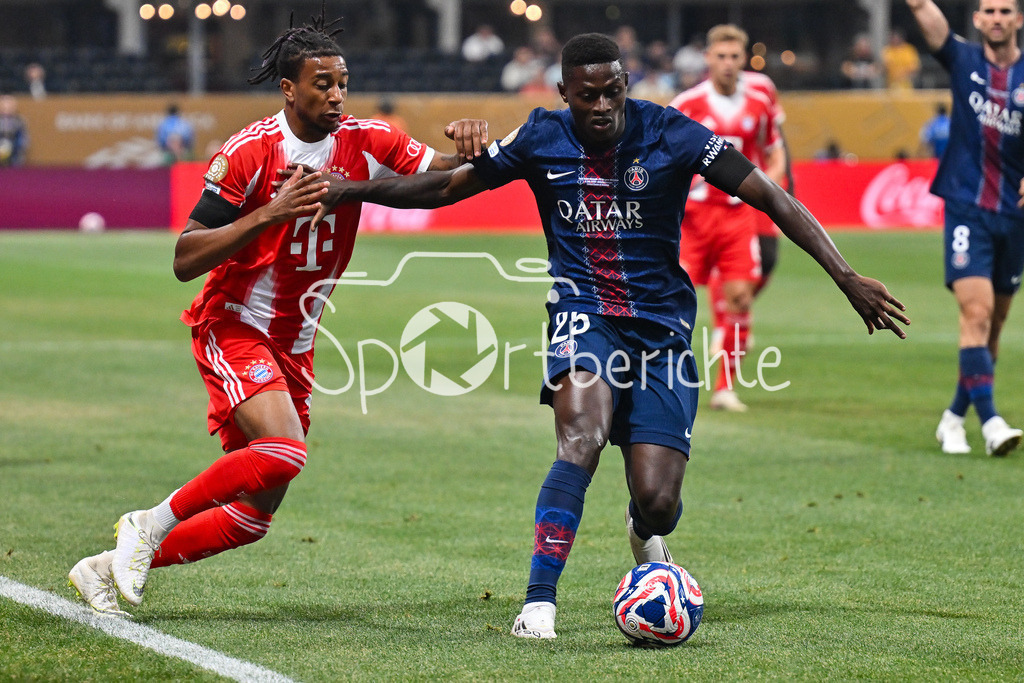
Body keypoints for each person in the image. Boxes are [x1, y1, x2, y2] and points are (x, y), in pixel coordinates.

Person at [295, 32, 909, 639]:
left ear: (626, 87)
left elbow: (769, 195)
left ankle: (643, 533)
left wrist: (846, 275)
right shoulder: (540, 136)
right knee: (580, 439)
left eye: (612, 91)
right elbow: (446, 187)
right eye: (587, 96)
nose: (601, 106)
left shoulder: (672, 133)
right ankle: (539, 604)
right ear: (565, 93)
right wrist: (348, 190)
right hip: (583, 313)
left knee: (660, 501)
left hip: (663, 330)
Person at [67, 9, 487, 617]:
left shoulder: (367, 140)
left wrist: (491, 149)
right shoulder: (250, 152)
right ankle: (146, 523)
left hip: (296, 342)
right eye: (323, 83)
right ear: (289, 88)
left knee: (252, 517)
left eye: (342, 81)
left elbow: (448, 179)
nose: (337, 94)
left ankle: (106, 566)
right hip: (235, 323)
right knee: (286, 450)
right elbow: (185, 257)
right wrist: (269, 212)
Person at [907, 0, 1024, 456]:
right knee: (975, 313)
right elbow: (920, 7)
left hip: (1013, 215)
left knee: (992, 329)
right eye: (988, 10)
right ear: (976, 20)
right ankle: (992, 422)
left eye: (1005, 11)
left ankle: (953, 417)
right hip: (966, 207)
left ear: (1018, 19)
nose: (996, 18)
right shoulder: (962, 59)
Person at [668, 25, 789, 412]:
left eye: (734, 57)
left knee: (739, 296)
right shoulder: (687, 104)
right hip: (694, 217)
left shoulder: (758, 99)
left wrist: (770, 190)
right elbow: (665, 158)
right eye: (720, 56)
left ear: (744, 59)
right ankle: (662, 381)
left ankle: (724, 388)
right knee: (672, 298)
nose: (727, 64)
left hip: (738, 214)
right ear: (707, 58)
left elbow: (774, 149)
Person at [0, 95, 28, 166]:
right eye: (4, 105)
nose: (6, 108)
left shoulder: (20, 121)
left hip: (14, 155)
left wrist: (15, 149)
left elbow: (24, 139)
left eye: (9, 105)